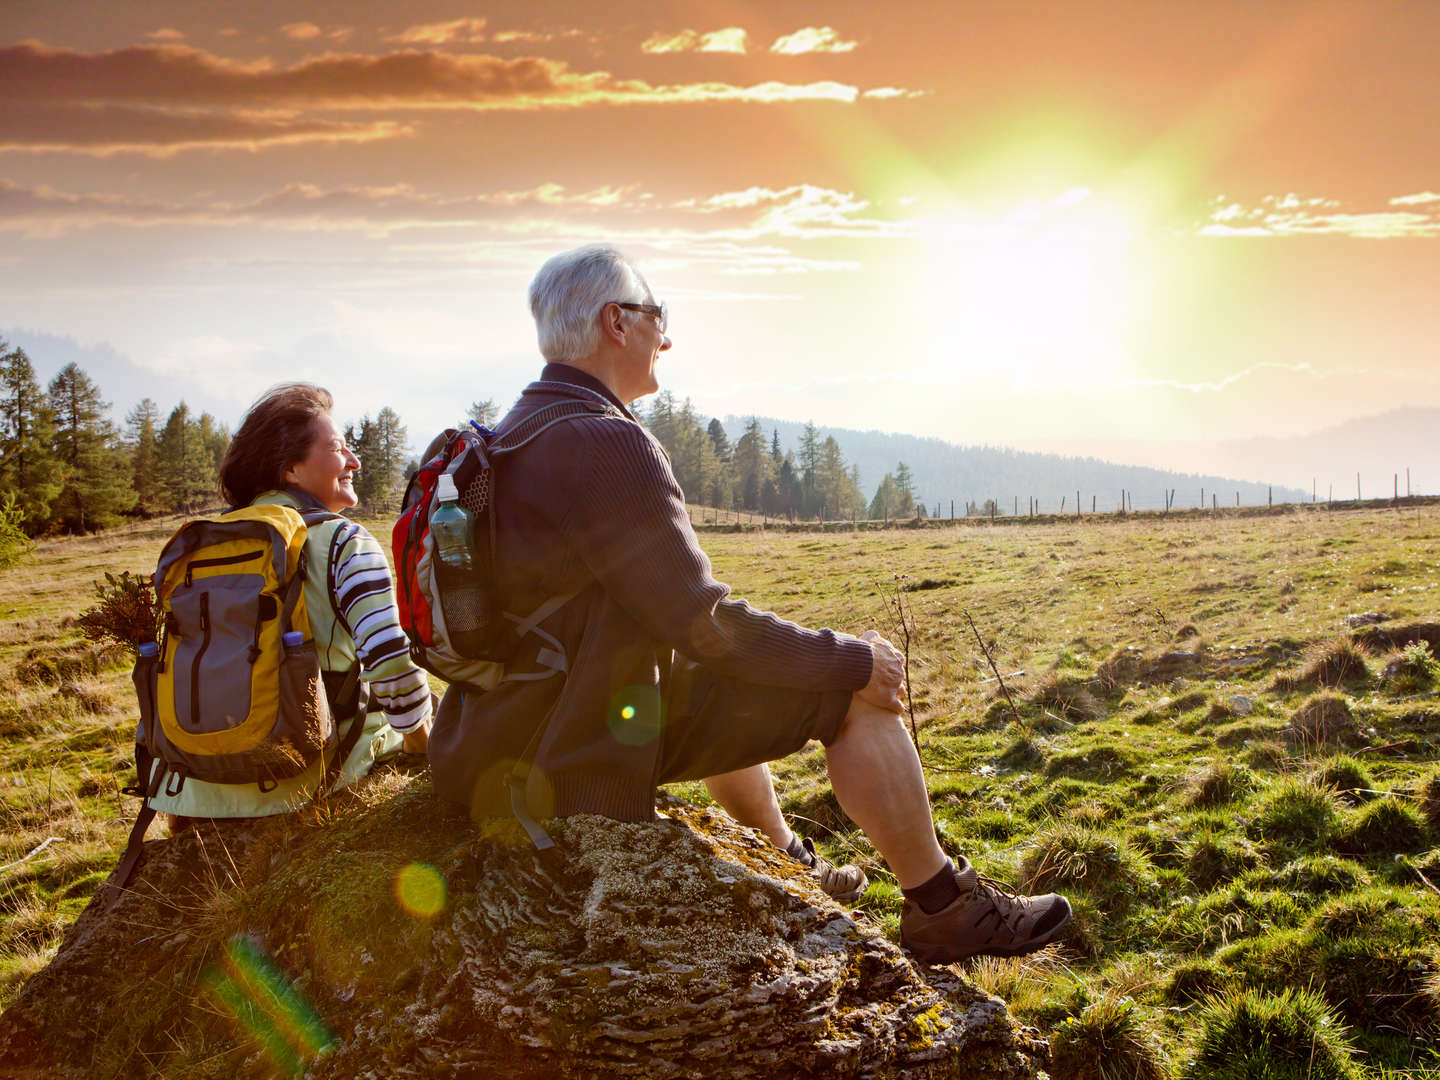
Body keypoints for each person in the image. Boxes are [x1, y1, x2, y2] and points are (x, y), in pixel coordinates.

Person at [429, 245, 1070, 961]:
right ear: (616, 323)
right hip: (563, 756)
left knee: (719, 678)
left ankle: (790, 856)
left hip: (491, 738)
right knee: (852, 696)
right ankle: (944, 908)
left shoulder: (506, 436)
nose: (664, 337)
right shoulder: (604, 443)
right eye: (655, 315)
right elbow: (704, 626)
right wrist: (852, 659)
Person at [148, 383, 432, 824]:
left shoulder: (203, 544)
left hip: (196, 790)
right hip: (304, 780)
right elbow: (388, 659)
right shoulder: (345, 540)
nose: (354, 461)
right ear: (292, 470)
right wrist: (422, 746)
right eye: (338, 448)